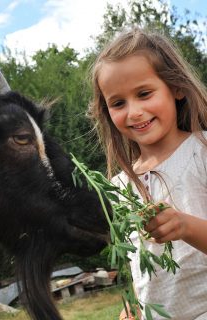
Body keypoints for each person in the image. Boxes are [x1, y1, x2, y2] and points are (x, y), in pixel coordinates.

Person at [89, 27, 207, 320]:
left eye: (144, 93)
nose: (134, 112)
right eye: (118, 103)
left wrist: (185, 227)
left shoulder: (202, 151)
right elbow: (141, 268)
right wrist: (135, 307)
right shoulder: (119, 187)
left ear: (176, 88)